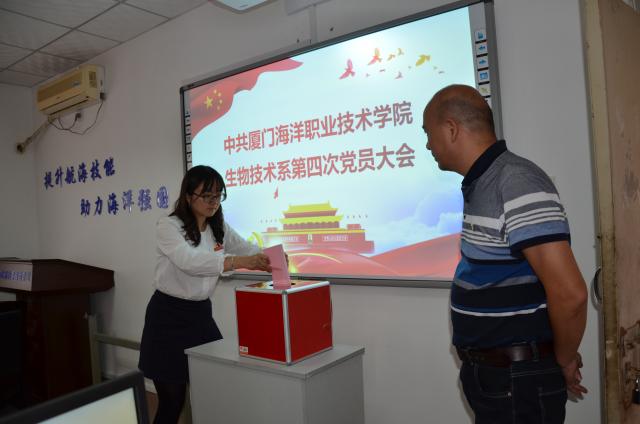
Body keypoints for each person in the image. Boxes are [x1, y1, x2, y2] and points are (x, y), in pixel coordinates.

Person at [422, 85, 588, 423]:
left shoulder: (516, 181)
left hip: (518, 380)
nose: (427, 145)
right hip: (498, 377)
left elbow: (570, 294)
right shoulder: (483, 182)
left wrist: (564, 358)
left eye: (428, 133)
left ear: (451, 129)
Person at [138, 165, 272, 424]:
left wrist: (269, 256)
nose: (213, 202)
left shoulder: (217, 225)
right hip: (167, 316)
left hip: (200, 316)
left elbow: (245, 247)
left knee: (216, 383)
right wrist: (237, 262)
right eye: (207, 196)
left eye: (218, 195)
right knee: (172, 400)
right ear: (189, 196)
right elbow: (188, 261)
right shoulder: (168, 226)